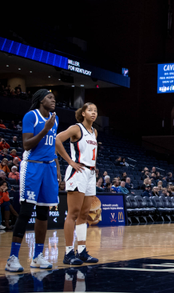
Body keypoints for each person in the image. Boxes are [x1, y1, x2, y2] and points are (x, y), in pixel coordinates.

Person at [5, 89, 61, 272]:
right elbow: (27, 144)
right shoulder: (32, 116)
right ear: (40, 100)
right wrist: (45, 129)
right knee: (27, 210)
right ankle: (12, 257)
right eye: (50, 97)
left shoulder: (55, 118)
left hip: (49, 167)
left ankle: (38, 256)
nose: (53, 100)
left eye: (54, 98)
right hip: (33, 166)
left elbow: (52, 146)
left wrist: (57, 168)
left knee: (44, 212)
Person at [55, 102, 99, 265]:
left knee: (84, 214)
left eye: (95, 111)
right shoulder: (76, 128)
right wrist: (70, 162)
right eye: (90, 110)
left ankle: (81, 251)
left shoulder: (94, 132)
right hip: (77, 172)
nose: (93, 113)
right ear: (83, 113)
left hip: (90, 173)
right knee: (72, 213)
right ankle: (68, 253)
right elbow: (57, 140)